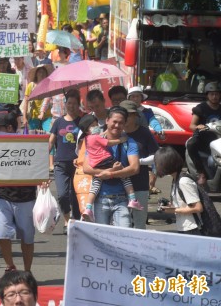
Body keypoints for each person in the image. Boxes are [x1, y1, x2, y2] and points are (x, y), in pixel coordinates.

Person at [0, 114, 37, 272]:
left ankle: (27, 271)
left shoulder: (28, 144)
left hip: (26, 197)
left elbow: (37, 166)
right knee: (0, 232)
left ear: (9, 128)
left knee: (27, 238)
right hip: (2, 196)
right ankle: (10, 266)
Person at [78, 113, 143, 222]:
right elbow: (86, 168)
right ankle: (132, 199)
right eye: (114, 122)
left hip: (119, 198)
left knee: (96, 182)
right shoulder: (98, 138)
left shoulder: (87, 139)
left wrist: (107, 174)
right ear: (107, 120)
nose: (117, 125)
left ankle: (88, 207)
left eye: (121, 122)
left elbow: (135, 168)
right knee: (123, 173)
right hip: (102, 195)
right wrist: (111, 172)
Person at [119, 100, 159, 229]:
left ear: (135, 116)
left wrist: (139, 162)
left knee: (139, 224)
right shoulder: (114, 132)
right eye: (123, 114)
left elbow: (156, 155)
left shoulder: (144, 132)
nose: (126, 118)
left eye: (129, 115)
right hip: (117, 185)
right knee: (121, 224)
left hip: (140, 183)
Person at [48, 89, 82, 232]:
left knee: (75, 196)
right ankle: (67, 219)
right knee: (62, 194)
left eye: (75, 103)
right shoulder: (58, 122)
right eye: (69, 103)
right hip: (61, 163)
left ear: (79, 104)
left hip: (78, 165)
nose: (72, 106)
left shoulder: (83, 121)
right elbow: (50, 142)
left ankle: (75, 220)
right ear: (65, 104)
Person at [154, 147, 203, 235]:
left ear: (166, 163)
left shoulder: (183, 181)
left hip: (193, 228)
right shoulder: (176, 179)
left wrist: (174, 210)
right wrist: (169, 205)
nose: (156, 166)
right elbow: (185, 203)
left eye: (157, 163)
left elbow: (197, 207)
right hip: (184, 226)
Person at [187, 82, 221, 186]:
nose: (214, 96)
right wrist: (198, 127)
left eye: (217, 94)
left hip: (218, 139)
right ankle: (201, 172)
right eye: (212, 94)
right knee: (191, 144)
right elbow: (191, 125)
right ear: (207, 95)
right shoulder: (201, 108)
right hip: (203, 140)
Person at [23, 64, 54, 132]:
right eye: (40, 72)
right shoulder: (31, 86)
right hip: (34, 116)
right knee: (32, 136)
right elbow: (26, 102)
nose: (42, 74)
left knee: (49, 133)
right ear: (36, 74)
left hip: (47, 116)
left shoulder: (49, 85)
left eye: (43, 72)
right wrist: (24, 117)